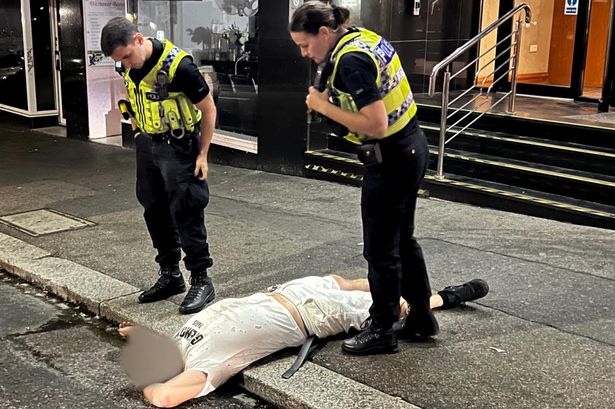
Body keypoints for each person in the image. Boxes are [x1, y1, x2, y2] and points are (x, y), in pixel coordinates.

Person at [289, 2, 436, 354]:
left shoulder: (351, 61)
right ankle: (420, 317)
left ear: (325, 32)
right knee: (403, 241)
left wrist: (323, 107)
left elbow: (375, 123)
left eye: (306, 45)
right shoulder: (360, 38)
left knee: (381, 249)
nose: (304, 53)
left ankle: (382, 328)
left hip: (391, 158)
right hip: (411, 146)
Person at [118, 275, 489, 408]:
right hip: (313, 316)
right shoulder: (205, 366)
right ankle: (448, 296)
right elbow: (164, 397)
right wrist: (149, 386)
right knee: (392, 307)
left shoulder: (174, 344)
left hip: (289, 291)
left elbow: (145, 342)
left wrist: (134, 336)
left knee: (349, 280)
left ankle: (400, 283)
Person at [101, 17, 217, 314]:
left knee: (186, 209)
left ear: (139, 39)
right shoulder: (129, 65)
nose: (126, 64)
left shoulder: (180, 67)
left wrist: (203, 155)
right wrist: (139, 132)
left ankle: (201, 279)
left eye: (127, 56)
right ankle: (170, 274)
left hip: (180, 146)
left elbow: (208, 108)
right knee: (153, 207)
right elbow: (135, 96)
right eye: (119, 61)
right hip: (148, 145)